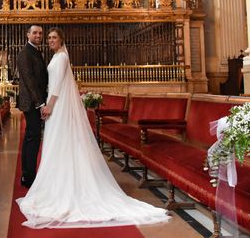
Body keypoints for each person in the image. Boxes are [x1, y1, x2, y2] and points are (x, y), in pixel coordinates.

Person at [17, 28, 169, 228]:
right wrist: (43, 104)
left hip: (56, 105)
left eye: (53, 37)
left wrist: (50, 105)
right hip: (50, 105)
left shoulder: (60, 57)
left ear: (61, 40)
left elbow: (56, 86)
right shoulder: (46, 55)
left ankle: (59, 182)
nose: (49, 39)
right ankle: (43, 178)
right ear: (29, 35)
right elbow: (33, 80)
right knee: (52, 142)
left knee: (57, 142)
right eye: (48, 37)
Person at [15, 25, 48, 188]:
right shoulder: (25, 53)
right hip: (32, 103)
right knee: (33, 138)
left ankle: (28, 174)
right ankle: (28, 177)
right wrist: (40, 103)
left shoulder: (36, 51)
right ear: (28, 35)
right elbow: (29, 81)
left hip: (36, 101)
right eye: (34, 32)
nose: (38, 35)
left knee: (32, 137)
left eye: (40, 33)